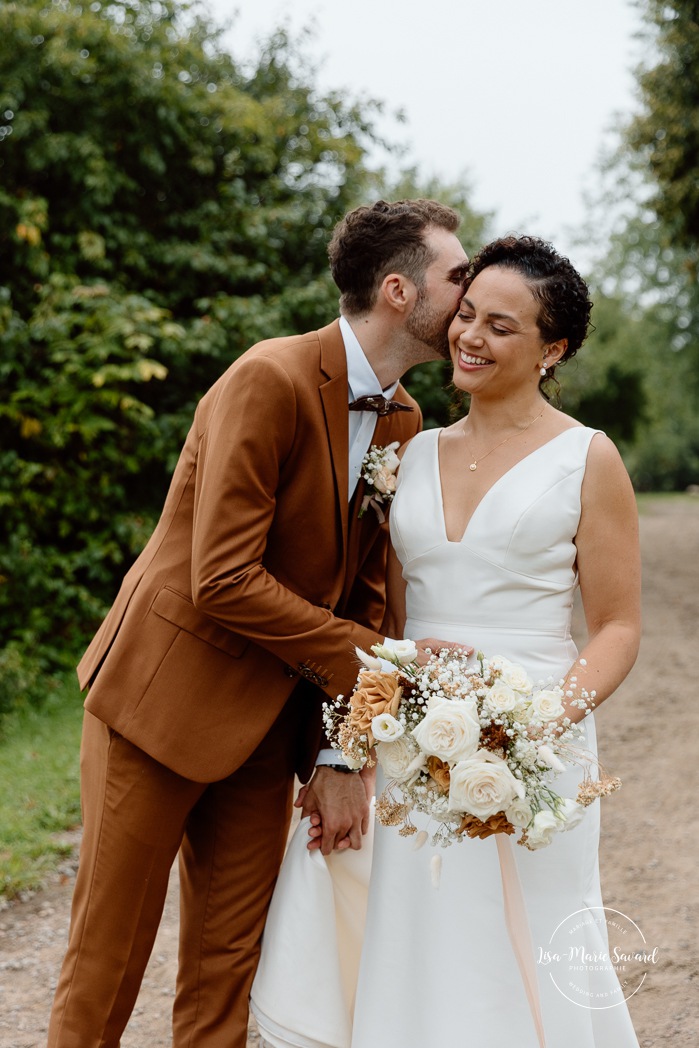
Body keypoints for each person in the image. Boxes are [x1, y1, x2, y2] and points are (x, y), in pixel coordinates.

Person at [46, 199, 470, 1048]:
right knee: (109, 959)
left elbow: (364, 598)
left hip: (265, 728)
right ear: (397, 290)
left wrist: (336, 751)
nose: (470, 293)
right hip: (158, 704)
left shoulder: (402, 420)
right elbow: (224, 578)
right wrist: (387, 660)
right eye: (456, 277)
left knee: (229, 971)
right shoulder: (268, 377)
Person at [250, 235, 641, 1048]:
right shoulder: (409, 448)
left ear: (552, 348)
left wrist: (541, 721)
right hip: (409, 731)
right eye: (466, 314)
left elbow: (616, 626)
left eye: (502, 326)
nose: (468, 337)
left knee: (526, 935)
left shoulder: (586, 457)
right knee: (416, 936)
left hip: (535, 734)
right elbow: (381, 619)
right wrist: (347, 750)